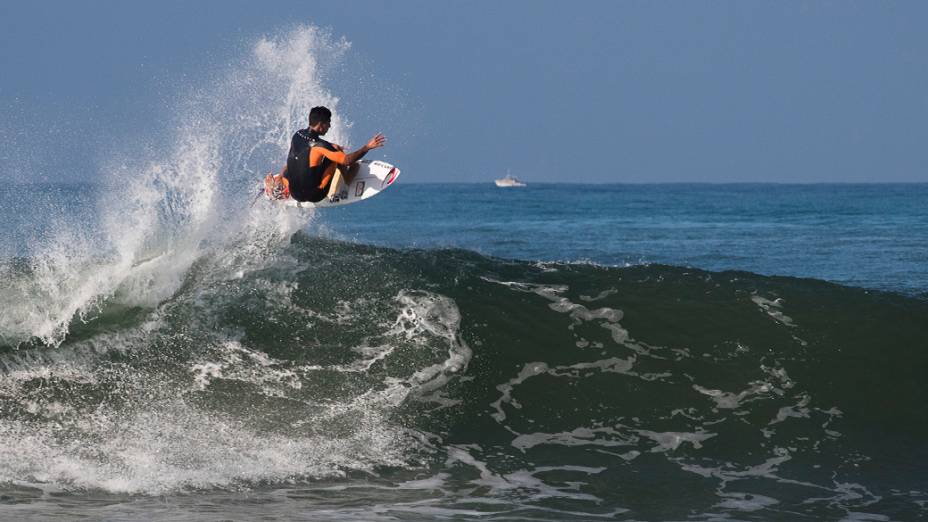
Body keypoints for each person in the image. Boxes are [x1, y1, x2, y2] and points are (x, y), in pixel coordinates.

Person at [270, 106, 386, 203]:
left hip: (295, 193)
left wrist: (332, 145)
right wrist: (367, 147)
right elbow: (347, 160)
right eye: (328, 123)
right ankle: (347, 182)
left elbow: (311, 144)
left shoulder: (297, 135)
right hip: (314, 195)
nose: (329, 126)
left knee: (294, 159)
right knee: (335, 159)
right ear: (321, 124)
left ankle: (279, 183)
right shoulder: (321, 146)